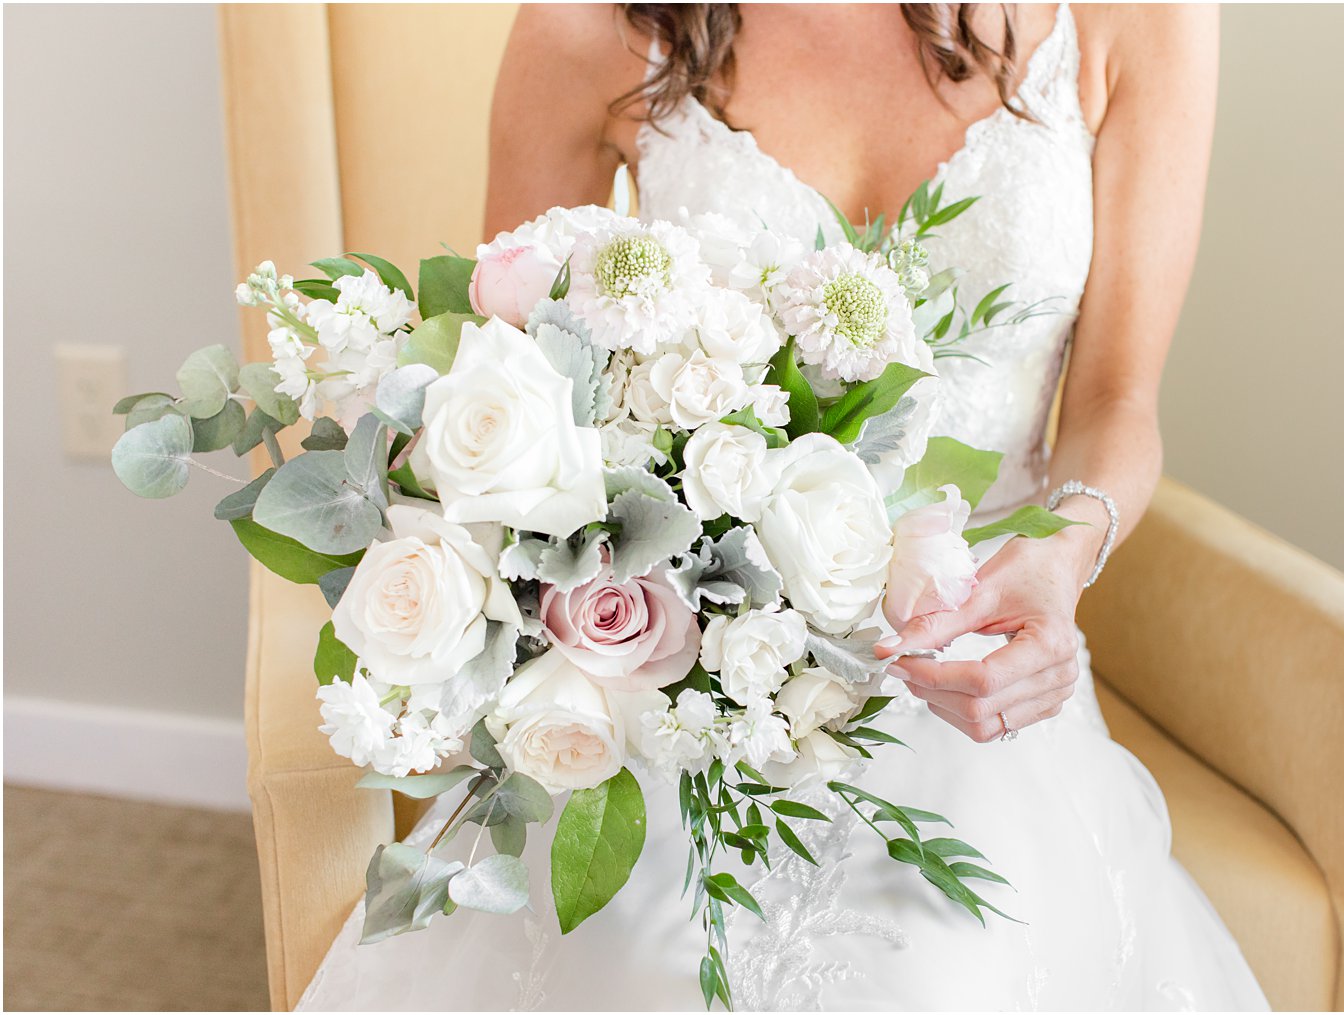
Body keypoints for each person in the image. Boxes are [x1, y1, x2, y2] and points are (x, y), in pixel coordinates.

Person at [299, 5, 1270, 1009]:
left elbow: (1117, 403)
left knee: (947, 975)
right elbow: (511, 369)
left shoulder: (1137, 18)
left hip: (967, 662)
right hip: (689, 675)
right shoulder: (589, 24)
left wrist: (1056, 564)